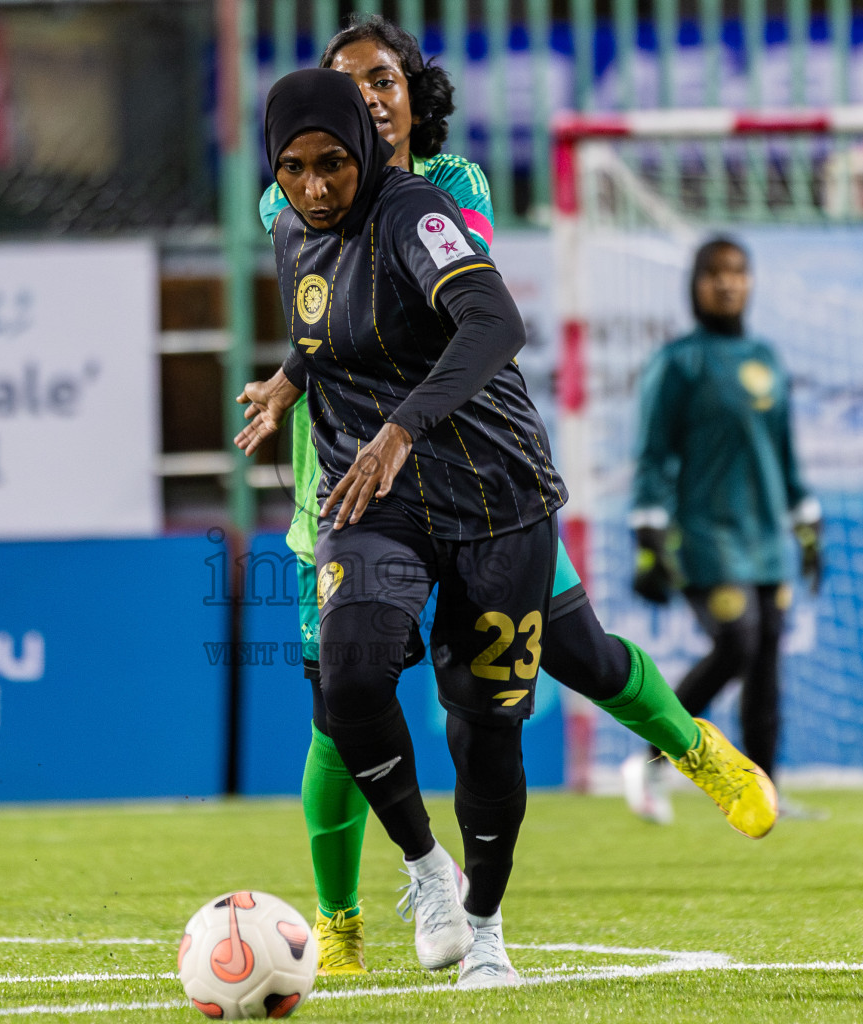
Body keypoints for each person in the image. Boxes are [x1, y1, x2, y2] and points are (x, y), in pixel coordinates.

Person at [254, 16, 779, 978]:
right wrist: (292, 374)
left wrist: (394, 415)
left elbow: (458, 302)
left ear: (411, 94)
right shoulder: (290, 202)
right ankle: (344, 919)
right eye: (345, 83)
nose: (366, 99)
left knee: (563, 662)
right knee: (341, 696)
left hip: (484, 474)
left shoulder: (446, 195)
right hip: (349, 480)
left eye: (382, 81)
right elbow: (325, 303)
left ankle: (689, 745)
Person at [622, 236, 824, 825]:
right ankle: (653, 758)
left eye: (737, 272)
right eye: (714, 273)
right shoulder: (679, 361)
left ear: (751, 281)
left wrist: (807, 523)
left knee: (765, 659)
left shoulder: (766, 357)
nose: (726, 283)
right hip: (706, 534)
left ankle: (768, 794)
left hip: (765, 536)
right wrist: (648, 538)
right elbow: (653, 455)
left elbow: (783, 455)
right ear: (695, 284)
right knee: (737, 641)